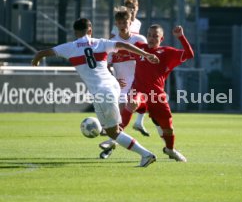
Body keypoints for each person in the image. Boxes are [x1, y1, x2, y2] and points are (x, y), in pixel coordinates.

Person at [31, 18, 159, 167]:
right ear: (90, 30)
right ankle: (114, 131)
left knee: (113, 133)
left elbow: (43, 52)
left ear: (75, 32)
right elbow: (124, 45)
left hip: (101, 93)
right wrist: (146, 54)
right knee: (113, 129)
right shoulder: (101, 42)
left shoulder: (70, 47)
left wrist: (37, 59)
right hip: (113, 85)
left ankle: (146, 155)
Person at [102, 24, 194, 162]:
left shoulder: (167, 52)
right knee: (131, 103)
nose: (151, 38)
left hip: (157, 96)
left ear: (161, 38)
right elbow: (121, 49)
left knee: (168, 130)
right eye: (149, 35)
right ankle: (113, 138)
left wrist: (181, 37)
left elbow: (189, 54)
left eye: (155, 36)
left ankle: (170, 149)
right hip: (138, 91)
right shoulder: (140, 47)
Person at [110, 0, 148, 136]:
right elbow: (112, 43)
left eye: (134, 8)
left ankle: (137, 122)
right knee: (123, 106)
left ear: (137, 9)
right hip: (122, 70)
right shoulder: (118, 30)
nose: (132, 10)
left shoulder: (137, 24)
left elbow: (142, 46)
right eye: (129, 8)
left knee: (146, 97)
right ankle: (115, 132)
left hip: (135, 68)